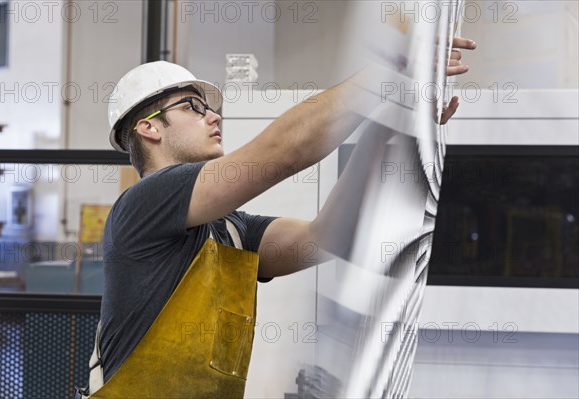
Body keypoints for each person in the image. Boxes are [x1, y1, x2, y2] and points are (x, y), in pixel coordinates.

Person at [78, 37, 475, 398]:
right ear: (148, 128)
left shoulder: (231, 230)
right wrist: (389, 69)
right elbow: (282, 152)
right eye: (193, 107)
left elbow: (326, 237)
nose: (214, 117)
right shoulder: (144, 203)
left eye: (211, 109)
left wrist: (385, 128)